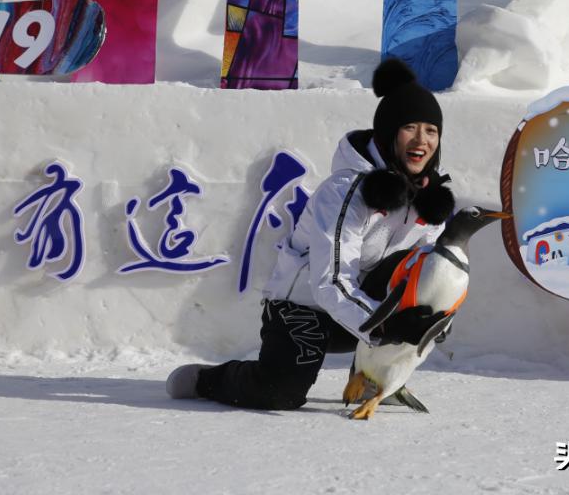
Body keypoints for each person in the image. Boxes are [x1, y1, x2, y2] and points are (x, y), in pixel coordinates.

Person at [166, 58, 456, 409]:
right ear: (388, 133)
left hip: (363, 310)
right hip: (304, 306)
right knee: (279, 393)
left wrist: (431, 322)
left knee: (435, 272)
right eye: (410, 127)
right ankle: (207, 379)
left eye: (431, 130)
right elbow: (329, 282)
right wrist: (385, 326)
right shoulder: (344, 192)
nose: (422, 140)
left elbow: (426, 275)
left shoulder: (428, 199)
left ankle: (374, 380)